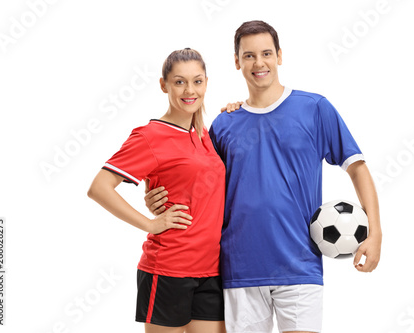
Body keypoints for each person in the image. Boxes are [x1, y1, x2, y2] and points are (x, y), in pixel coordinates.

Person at [146, 21, 382, 333]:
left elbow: (357, 167)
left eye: (266, 53)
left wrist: (375, 232)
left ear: (279, 56)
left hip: (300, 266)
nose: (259, 63)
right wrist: (156, 199)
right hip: (239, 269)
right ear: (237, 62)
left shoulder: (315, 108)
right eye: (249, 56)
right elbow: (200, 182)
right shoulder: (224, 125)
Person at [87, 48, 226, 333]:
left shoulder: (203, 135)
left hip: (212, 269)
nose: (190, 90)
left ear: (206, 83)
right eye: (179, 82)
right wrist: (151, 222)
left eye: (197, 81)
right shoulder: (150, 137)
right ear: (163, 85)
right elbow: (100, 187)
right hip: (169, 269)